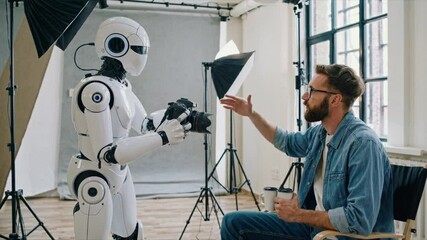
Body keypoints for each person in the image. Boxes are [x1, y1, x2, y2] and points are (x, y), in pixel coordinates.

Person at [220, 64, 394, 239]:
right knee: (232, 223)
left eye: (312, 91)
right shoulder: (320, 133)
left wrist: (298, 214)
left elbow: (358, 221)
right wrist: (251, 114)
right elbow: (285, 141)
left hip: (343, 237)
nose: (304, 96)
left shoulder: (363, 144)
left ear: (335, 100)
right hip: (316, 230)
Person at [67, 17, 192, 240]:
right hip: (96, 175)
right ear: (117, 45)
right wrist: (162, 137)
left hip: (119, 174)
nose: (143, 55)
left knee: (131, 233)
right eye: (139, 49)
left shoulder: (122, 86)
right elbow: (107, 153)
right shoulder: (96, 90)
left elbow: (145, 125)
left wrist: (172, 113)